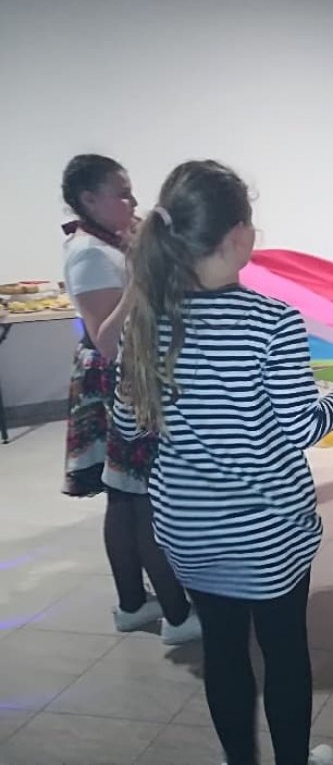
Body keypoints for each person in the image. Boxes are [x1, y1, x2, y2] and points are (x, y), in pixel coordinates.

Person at [113, 159, 333, 765]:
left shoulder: (145, 320)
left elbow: (129, 426)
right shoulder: (273, 321)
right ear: (240, 235)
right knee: (284, 650)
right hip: (268, 531)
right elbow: (303, 428)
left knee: (223, 650)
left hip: (188, 529)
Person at [60, 154, 198, 645]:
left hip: (126, 376)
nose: (132, 201)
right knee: (140, 498)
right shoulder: (88, 254)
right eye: (121, 193)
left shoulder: (108, 244)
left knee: (124, 498)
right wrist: (142, 276)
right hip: (118, 381)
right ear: (88, 200)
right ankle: (178, 617)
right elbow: (104, 339)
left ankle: (134, 605)